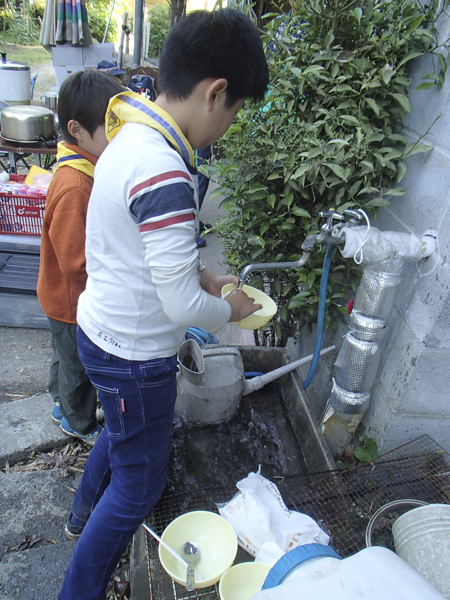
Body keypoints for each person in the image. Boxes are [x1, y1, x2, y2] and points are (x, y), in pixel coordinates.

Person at [58, 9, 269, 599]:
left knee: (120, 434)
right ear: (215, 92)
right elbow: (180, 306)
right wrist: (235, 310)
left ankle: (78, 514)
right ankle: (76, 591)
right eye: (234, 111)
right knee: (138, 488)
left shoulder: (133, 133)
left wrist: (205, 274)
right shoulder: (164, 167)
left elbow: (146, 248)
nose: (228, 125)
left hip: (101, 332)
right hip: (133, 356)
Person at [37, 70, 124, 445]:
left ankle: (60, 401)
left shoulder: (81, 168)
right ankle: (79, 421)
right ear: (76, 129)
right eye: (111, 128)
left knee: (63, 356)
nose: (118, 137)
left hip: (57, 294)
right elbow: (75, 263)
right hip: (70, 299)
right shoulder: (75, 185)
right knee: (77, 363)